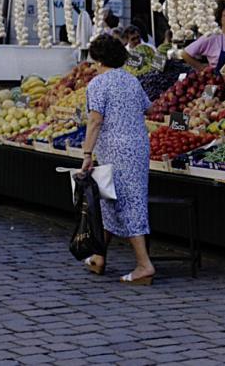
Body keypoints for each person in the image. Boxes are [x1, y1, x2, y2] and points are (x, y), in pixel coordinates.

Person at [80, 35, 156, 285]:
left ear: (98, 57)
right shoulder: (132, 80)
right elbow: (149, 109)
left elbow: (95, 120)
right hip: (137, 147)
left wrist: (87, 154)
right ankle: (99, 257)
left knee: (126, 203)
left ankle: (144, 265)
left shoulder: (97, 84)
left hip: (114, 150)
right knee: (110, 201)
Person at [182, 0, 225, 70]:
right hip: (219, 80)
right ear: (219, 18)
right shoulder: (212, 37)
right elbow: (185, 54)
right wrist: (203, 68)